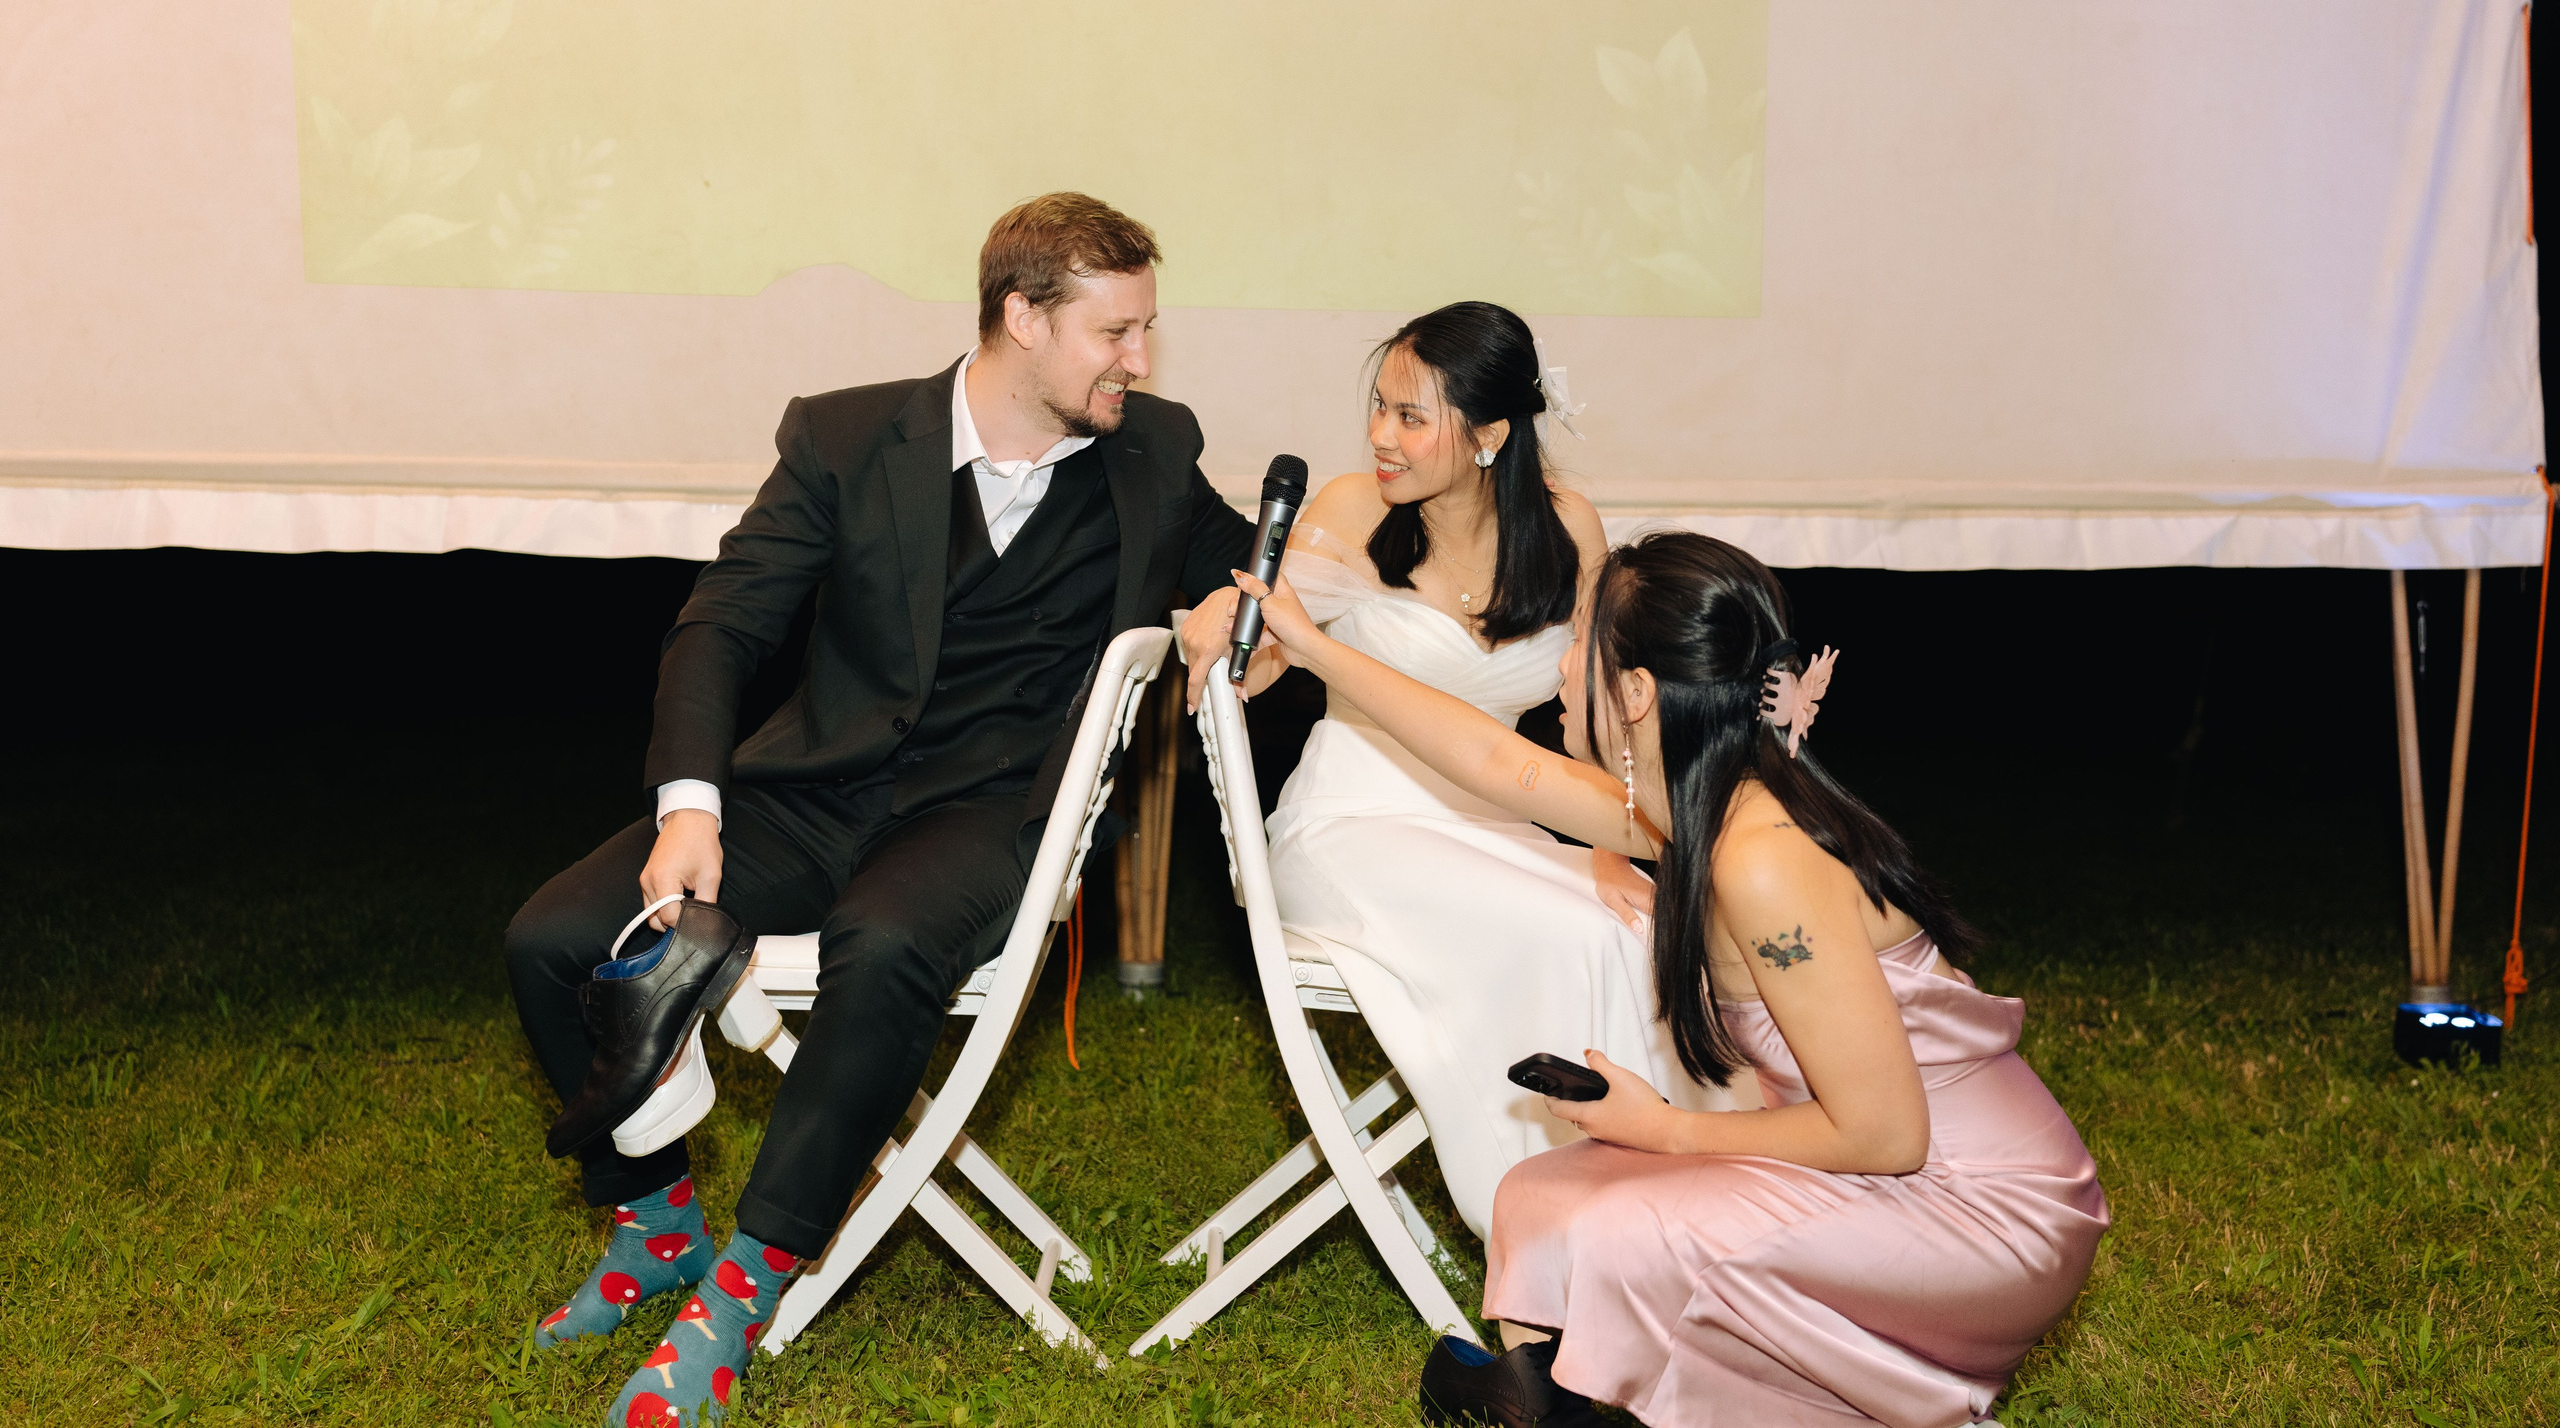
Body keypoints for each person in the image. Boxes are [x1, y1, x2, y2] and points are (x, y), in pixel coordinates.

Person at [505, 193, 1257, 1426]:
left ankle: (744, 1291)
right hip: (813, 792)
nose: (1138, 358)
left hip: (999, 813)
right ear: (1021, 317)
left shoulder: (1152, 449)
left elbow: (1243, 575)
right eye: (1114, 332)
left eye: (1145, 331)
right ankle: (651, 1221)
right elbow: (722, 627)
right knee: (551, 938)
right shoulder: (847, 439)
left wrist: (1244, 610)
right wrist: (691, 807)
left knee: (890, 941)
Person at [1231, 534, 2109, 1428]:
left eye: (1581, 645)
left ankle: (1597, 1406)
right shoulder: (1688, 807)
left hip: (1980, 1210)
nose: (1562, 665)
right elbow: (1500, 763)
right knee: (1542, 1189)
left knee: (1626, 1227)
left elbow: (1887, 1132)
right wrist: (1313, 645)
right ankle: (1565, 1395)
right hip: (1884, 1172)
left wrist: (1667, 1129)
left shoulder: (1763, 860)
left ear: (1639, 694)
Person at [1181, 303, 1746, 1242]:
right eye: (1377, 407)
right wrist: (1222, 615)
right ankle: (1552, 1228)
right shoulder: (1353, 509)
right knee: (1559, 934)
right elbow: (1279, 636)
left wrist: (1608, 842)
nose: (1378, 436)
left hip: (1508, 820)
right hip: (1351, 825)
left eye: (1410, 417)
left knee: (1638, 926)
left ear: (1489, 435)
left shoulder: (1567, 528)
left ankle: (1684, 1213)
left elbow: (1602, 710)